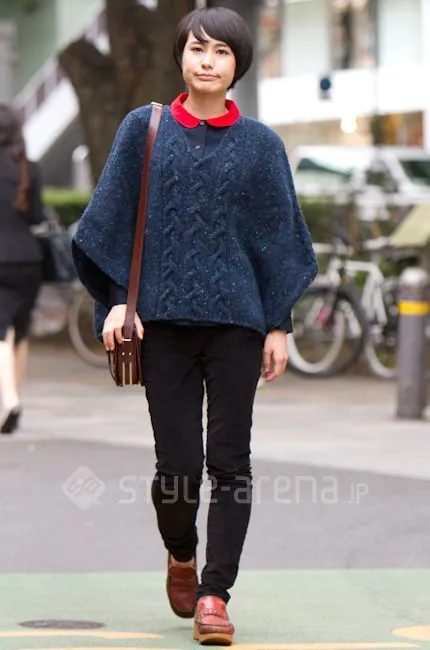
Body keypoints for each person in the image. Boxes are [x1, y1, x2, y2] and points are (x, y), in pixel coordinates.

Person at [72, 6, 317, 646]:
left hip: (238, 325)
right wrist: (117, 303)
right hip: (162, 325)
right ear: (181, 55)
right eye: (197, 48)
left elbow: (278, 242)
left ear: (238, 65)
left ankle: (215, 595)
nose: (207, 61)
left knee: (231, 463)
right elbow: (111, 223)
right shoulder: (143, 128)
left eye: (221, 52)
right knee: (177, 466)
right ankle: (181, 552)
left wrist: (278, 325)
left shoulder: (261, 145)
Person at [0, 104, 45, 435]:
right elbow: (36, 216)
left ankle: (10, 402)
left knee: (1, 331)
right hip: (29, 259)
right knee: (20, 329)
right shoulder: (29, 167)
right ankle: (12, 400)